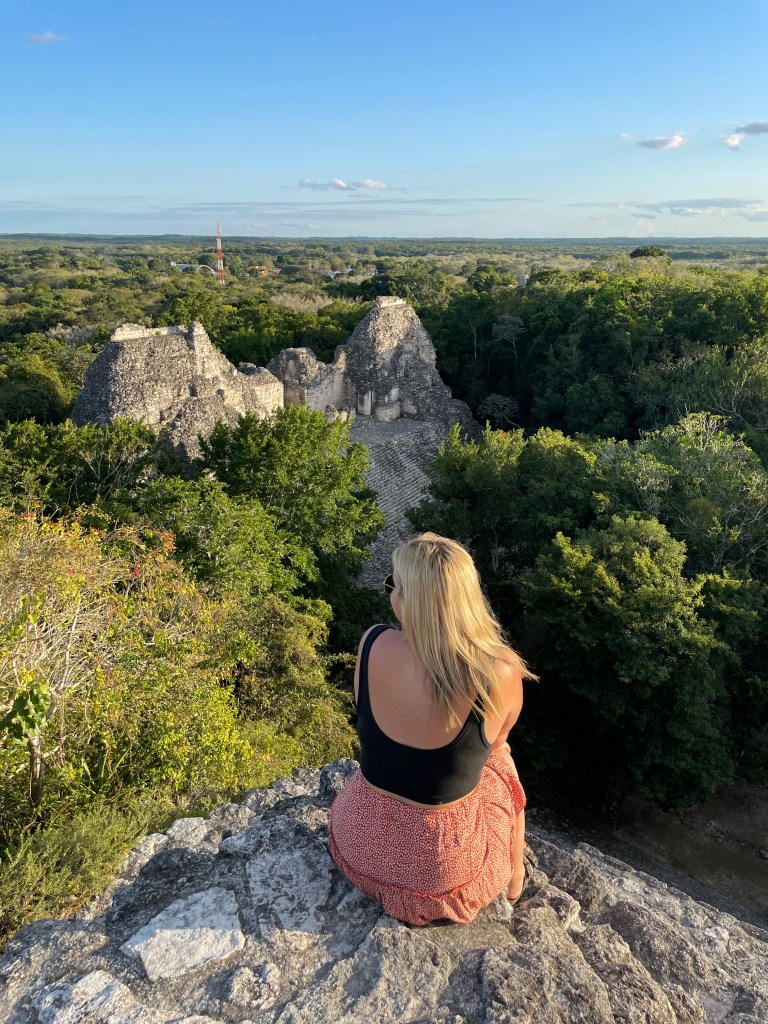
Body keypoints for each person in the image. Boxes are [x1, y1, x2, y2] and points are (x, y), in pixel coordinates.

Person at [327, 532, 539, 926]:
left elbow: (366, 714)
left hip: (359, 839)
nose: (391, 593)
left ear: (410, 599)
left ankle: (512, 873)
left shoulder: (373, 642)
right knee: (501, 762)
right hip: (441, 870)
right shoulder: (499, 672)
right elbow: (497, 744)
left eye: (394, 585)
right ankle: (514, 874)